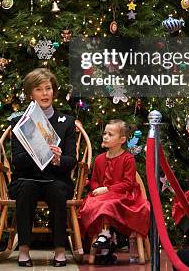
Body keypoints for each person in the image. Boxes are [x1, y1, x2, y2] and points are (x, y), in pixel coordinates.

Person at [10, 68, 76, 267]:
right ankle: (23, 250)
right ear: (31, 94)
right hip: (27, 178)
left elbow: (71, 159)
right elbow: (17, 161)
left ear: (54, 92)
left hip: (56, 179)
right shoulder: (19, 122)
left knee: (56, 191)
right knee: (27, 190)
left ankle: (60, 250)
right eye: (39, 89)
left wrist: (57, 159)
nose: (45, 93)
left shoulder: (67, 122)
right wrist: (35, 150)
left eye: (48, 88)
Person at [78, 119, 150, 265]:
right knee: (92, 203)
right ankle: (105, 243)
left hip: (124, 196)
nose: (105, 136)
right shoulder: (99, 159)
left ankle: (106, 236)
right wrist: (98, 189)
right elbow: (94, 181)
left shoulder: (128, 159)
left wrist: (108, 189)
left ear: (122, 140)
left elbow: (128, 184)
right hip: (104, 197)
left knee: (109, 204)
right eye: (104, 133)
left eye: (110, 134)